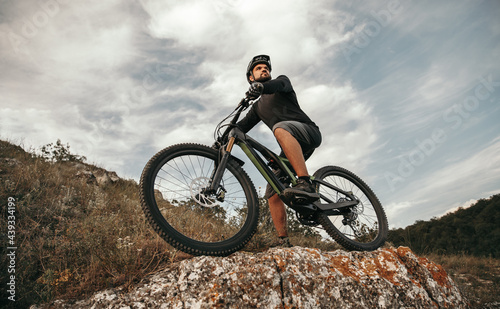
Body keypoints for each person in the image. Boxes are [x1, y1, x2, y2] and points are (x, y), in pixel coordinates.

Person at [236, 55, 322, 247]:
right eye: (258, 68)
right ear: (251, 78)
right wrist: (224, 137)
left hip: (308, 132)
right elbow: (242, 126)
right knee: (273, 191)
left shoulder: (281, 83)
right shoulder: (258, 107)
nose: (263, 70)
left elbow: (277, 85)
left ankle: (305, 182)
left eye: (265, 68)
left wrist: (261, 88)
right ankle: (283, 240)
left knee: (280, 128)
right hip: (291, 145)